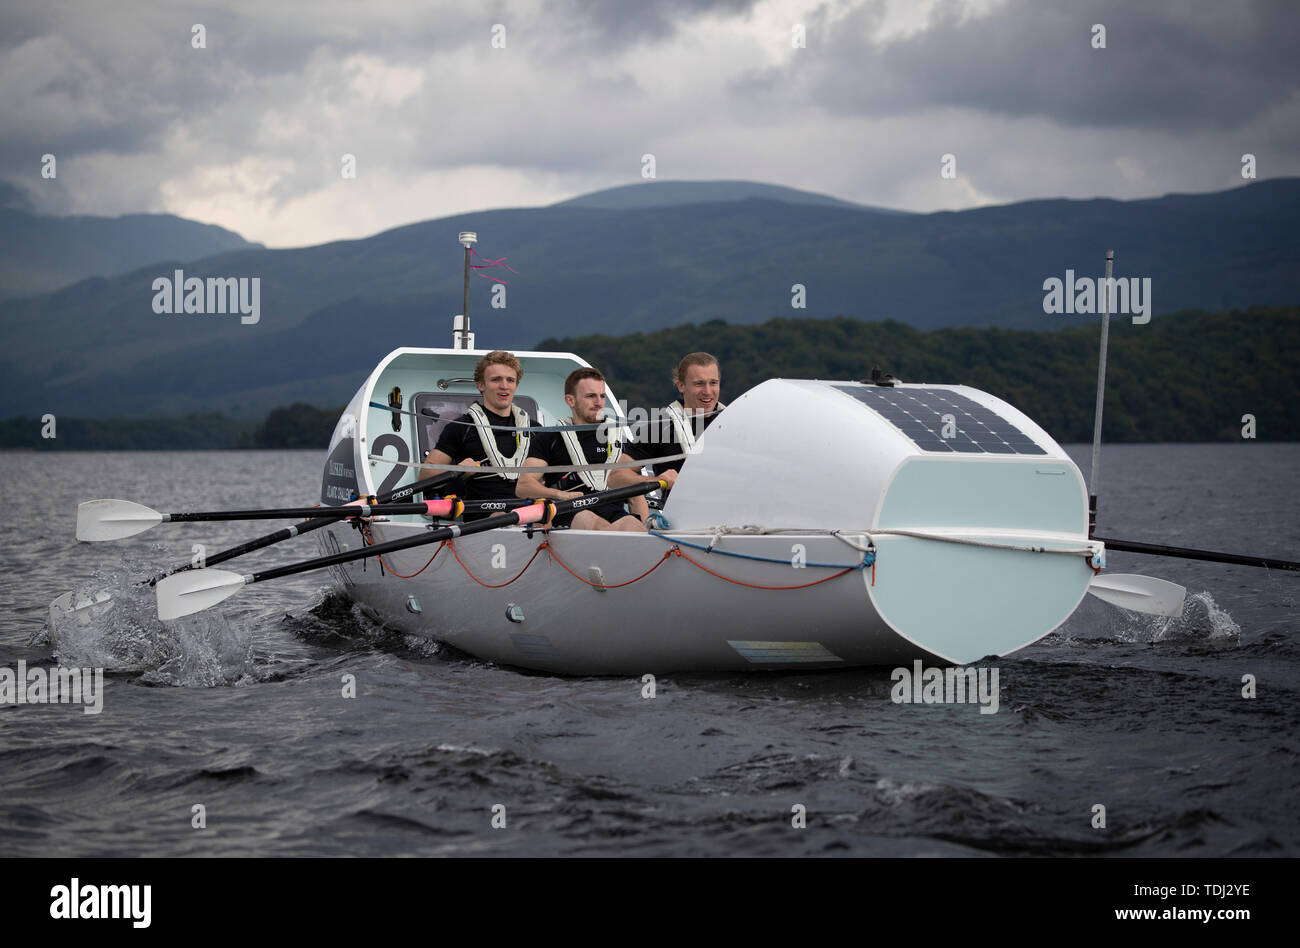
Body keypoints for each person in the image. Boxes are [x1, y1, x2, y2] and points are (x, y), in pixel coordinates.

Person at [516, 368, 671, 531]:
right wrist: (559, 495)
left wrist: (646, 527)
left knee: (632, 525)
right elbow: (523, 486)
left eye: (602, 396)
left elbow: (635, 494)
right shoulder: (548, 438)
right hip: (568, 510)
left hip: (611, 510)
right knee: (594, 523)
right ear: (570, 400)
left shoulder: (616, 440)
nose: (599, 403)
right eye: (591, 396)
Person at [418, 351, 535, 520]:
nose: (504, 386)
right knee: (502, 518)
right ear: (481, 385)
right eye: (496, 379)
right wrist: (460, 470)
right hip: (484, 516)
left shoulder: (535, 430)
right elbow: (424, 475)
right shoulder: (461, 428)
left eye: (510, 380)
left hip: (528, 513)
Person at [613, 352, 724, 494]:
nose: (708, 391)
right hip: (684, 513)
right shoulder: (660, 427)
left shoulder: (735, 421)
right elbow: (615, 477)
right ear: (681, 386)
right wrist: (657, 480)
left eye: (713, 383)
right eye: (699, 384)